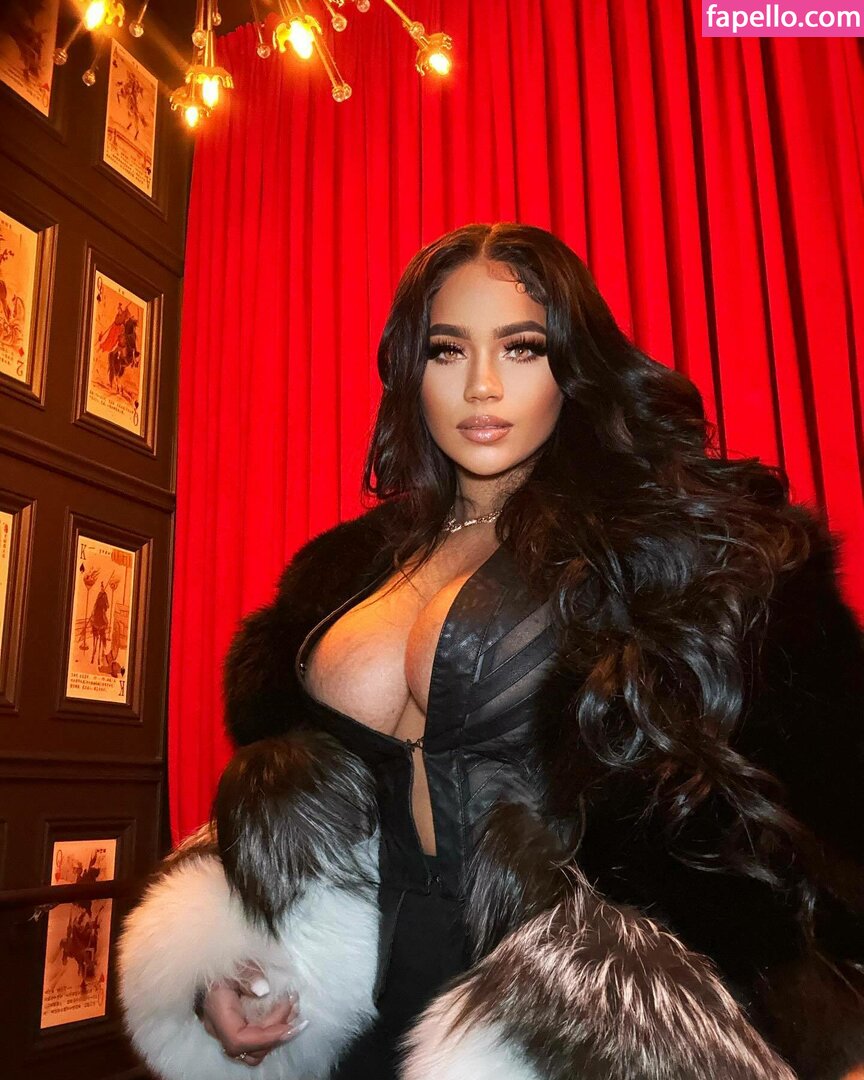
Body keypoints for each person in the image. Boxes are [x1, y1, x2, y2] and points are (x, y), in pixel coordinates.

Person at [132, 223, 864, 1078]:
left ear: (573, 364)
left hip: (572, 1037)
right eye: (448, 350)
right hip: (346, 1019)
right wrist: (234, 947)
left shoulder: (694, 551)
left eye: (522, 348)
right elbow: (295, 799)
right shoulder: (342, 570)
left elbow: (834, 814)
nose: (482, 385)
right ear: (412, 370)